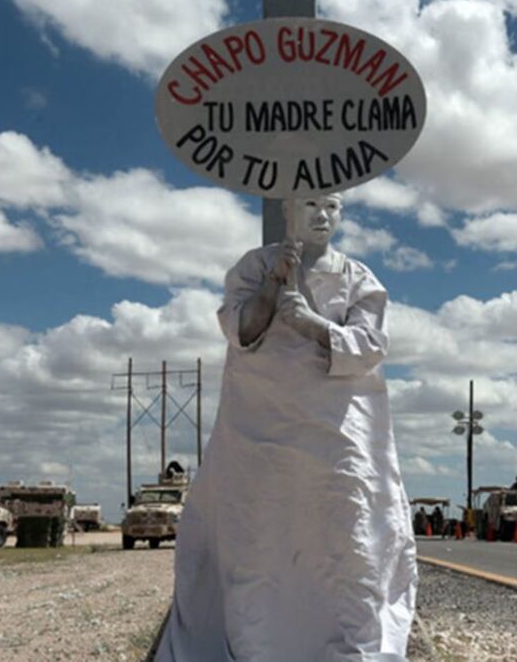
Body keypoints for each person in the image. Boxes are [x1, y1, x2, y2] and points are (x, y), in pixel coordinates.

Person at [156, 193, 417, 661]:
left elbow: (371, 344)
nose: (323, 215)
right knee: (259, 531)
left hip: (337, 427)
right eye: (312, 204)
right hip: (261, 423)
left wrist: (314, 325)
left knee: (346, 531)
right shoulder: (255, 265)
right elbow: (241, 331)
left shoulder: (358, 277)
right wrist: (274, 285)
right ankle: (257, 648)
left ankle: (348, 648)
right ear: (288, 211)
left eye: (333, 206)